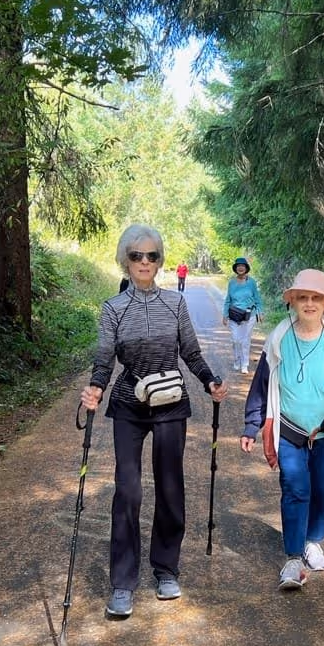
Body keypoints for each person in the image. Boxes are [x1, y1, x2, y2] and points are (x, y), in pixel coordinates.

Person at [81, 225, 228, 620]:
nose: (144, 262)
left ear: (160, 261)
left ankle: (166, 569)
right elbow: (104, 357)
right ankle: (122, 583)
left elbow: (191, 352)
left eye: (152, 256)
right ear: (125, 260)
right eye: (136, 255)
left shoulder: (174, 305)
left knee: (170, 486)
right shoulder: (114, 308)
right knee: (127, 491)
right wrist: (96, 387)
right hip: (129, 403)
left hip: (170, 403)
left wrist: (210, 380)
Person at [240, 268, 324, 591]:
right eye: (303, 297)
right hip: (289, 430)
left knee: (320, 487)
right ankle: (292, 558)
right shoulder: (280, 337)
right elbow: (261, 385)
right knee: (295, 487)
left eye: (316, 298)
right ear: (293, 302)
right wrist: (251, 425)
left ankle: (313, 540)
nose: (309, 304)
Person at [223, 257, 264, 375]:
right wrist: (225, 314)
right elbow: (228, 299)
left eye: (243, 266)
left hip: (248, 315)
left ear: (246, 268)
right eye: (238, 266)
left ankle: (245, 364)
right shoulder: (231, 282)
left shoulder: (251, 282)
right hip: (234, 315)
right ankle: (237, 360)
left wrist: (260, 311)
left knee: (245, 340)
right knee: (236, 340)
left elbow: (257, 298)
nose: (240, 268)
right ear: (236, 268)